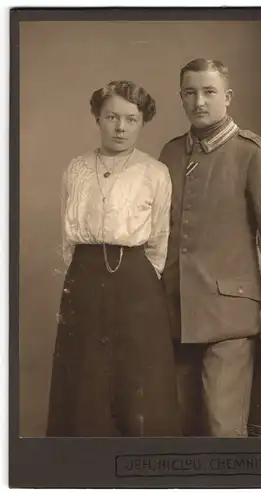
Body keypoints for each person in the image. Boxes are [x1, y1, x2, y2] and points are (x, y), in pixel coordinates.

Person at [159, 59, 261, 437]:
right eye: (190, 93)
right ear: (181, 98)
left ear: (228, 96)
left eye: (209, 92)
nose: (199, 102)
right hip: (174, 315)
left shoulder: (253, 153)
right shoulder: (171, 154)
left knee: (223, 431)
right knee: (175, 429)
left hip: (230, 318)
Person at [46, 80, 181, 437]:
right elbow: (67, 235)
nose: (121, 128)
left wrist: (135, 279)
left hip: (136, 281)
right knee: (85, 377)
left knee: (137, 380)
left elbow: (159, 241)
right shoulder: (75, 169)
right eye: (112, 117)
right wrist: (86, 271)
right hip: (85, 276)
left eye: (131, 119)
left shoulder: (155, 172)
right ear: (98, 119)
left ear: (142, 122)